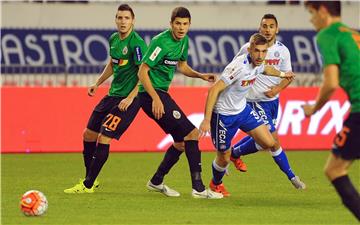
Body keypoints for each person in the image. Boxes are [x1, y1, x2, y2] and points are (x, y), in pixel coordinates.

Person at [137, 6, 222, 199]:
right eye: (178, 23)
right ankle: (199, 188)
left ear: (189, 25)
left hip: (160, 94)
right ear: (171, 24)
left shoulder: (184, 42)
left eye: (185, 24)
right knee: (191, 133)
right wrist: (156, 99)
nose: (181, 28)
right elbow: (142, 71)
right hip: (151, 95)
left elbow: (182, 66)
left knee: (180, 142)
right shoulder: (161, 42)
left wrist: (200, 75)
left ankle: (156, 181)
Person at [64, 4, 147, 193]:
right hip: (112, 95)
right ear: (116, 20)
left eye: (126, 18)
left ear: (133, 20)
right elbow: (112, 63)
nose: (123, 21)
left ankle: (87, 185)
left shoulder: (137, 44)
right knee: (88, 134)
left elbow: (144, 73)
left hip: (129, 99)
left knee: (104, 137)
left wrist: (130, 97)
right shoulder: (113, 39)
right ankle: (90, 178)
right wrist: (98, 82)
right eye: (119, 18)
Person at [199, 33, 295, 197]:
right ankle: (216, 184)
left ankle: (236, 154)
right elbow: (214, 89)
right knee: (223, 157)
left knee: (268, 141)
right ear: (249, 49)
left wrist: (282, 75)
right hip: (223, 115)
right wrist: (207, 120)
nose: (260, 55)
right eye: (256, 51)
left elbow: (265, 68)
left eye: (264, 52)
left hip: (242, 111)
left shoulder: (260, 62)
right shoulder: (238, 67)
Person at [229, 14, 306, 190]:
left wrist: (276, 90)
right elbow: (233, 68)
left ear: (277, 29)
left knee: (264, 140)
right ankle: (292, 176)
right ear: (260, 28)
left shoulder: (283, 51)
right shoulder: (248, 48)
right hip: (251, 99)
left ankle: (234, 153)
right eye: (264, 26)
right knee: (272, 139)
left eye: (271, 26)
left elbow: (288, 76)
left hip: (272, 102)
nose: (267, 29)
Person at [302, 1, 360, 220]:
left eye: (311, 13)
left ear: (323, 11)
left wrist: (314, 108)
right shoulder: (353, 34)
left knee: (334, 170)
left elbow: (331, 83)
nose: (311, 19)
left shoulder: (327, 35)